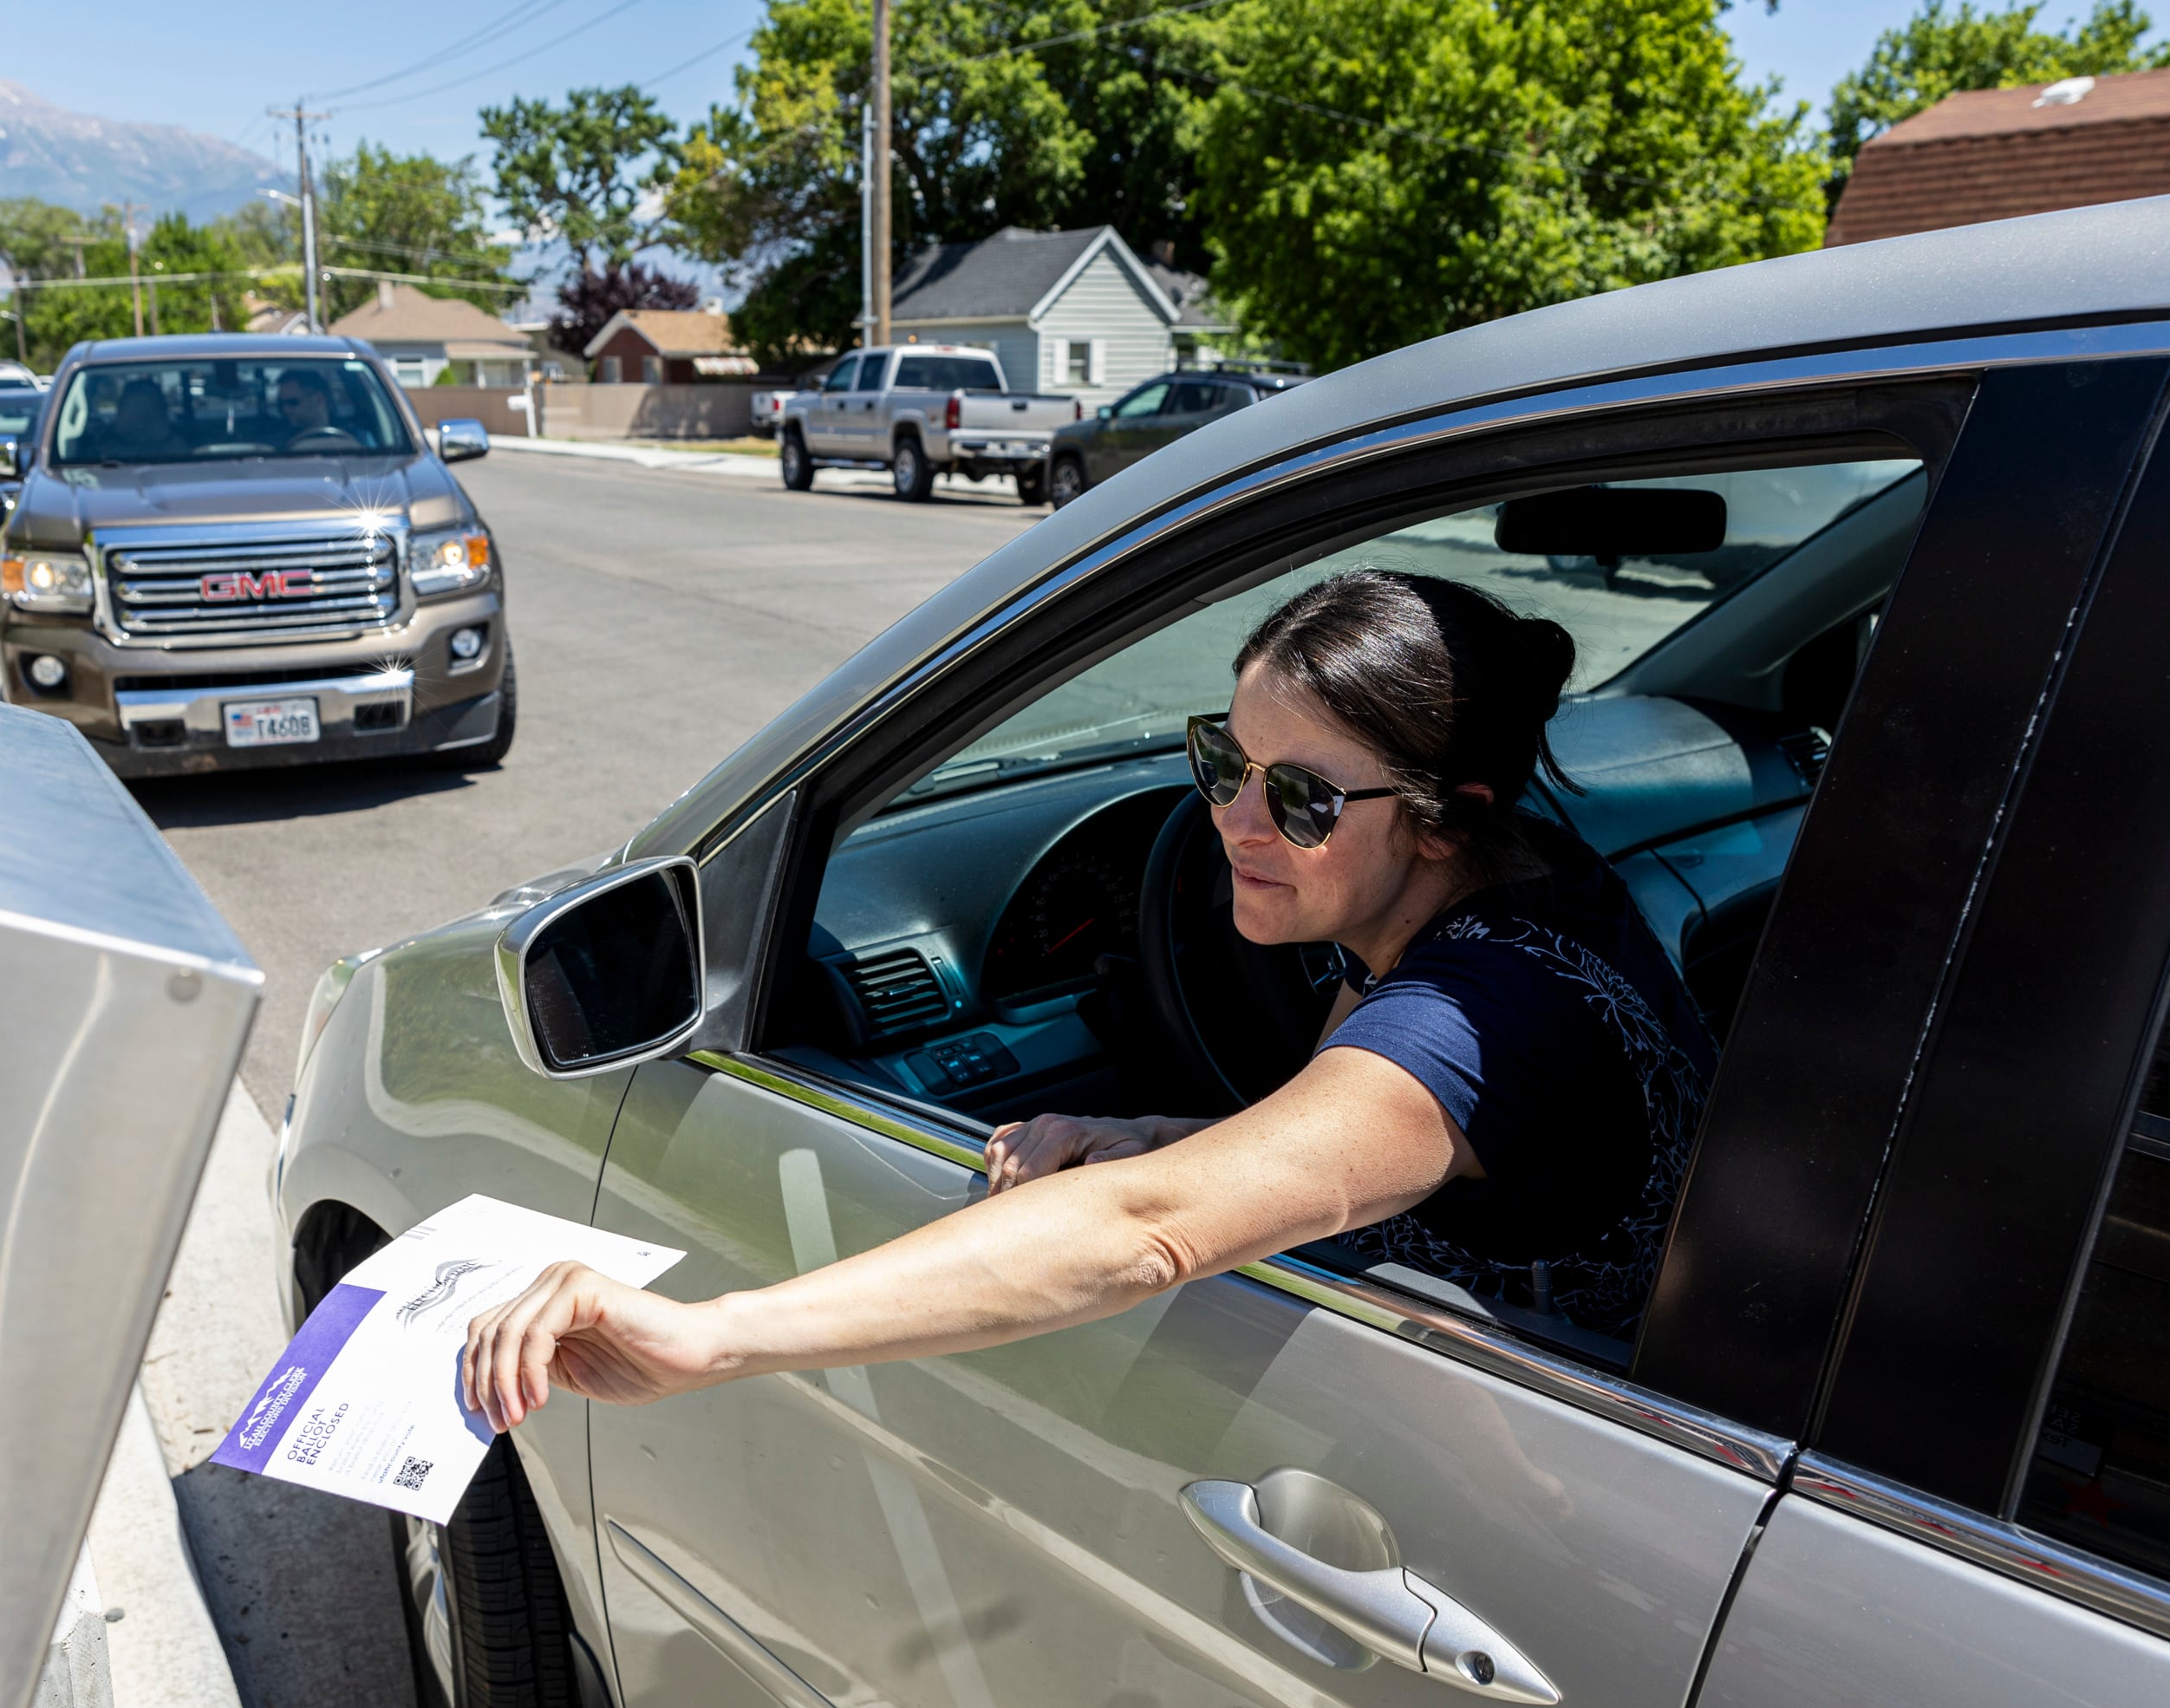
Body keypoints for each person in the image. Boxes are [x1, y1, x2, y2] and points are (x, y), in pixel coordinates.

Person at [460, 570, 1718, 1432]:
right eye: (1227, 759)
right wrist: (1162, 1138)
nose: (1229, 821)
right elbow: (1323, 1138)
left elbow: (1151, 1234)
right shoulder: (1536, 884)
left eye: (1303, 801)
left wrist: (711, 1337)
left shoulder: (1482, 1015)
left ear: (1453, 820)